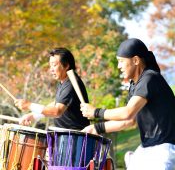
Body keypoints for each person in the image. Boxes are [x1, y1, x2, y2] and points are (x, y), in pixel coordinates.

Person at [80, 38, 175, 170]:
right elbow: (129, 121)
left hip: (163, 149)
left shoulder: (150, 78)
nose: (118, 66)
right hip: (148, 148)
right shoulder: (134, 85)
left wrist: (96, 112)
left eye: (121, 61)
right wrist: (96, 128)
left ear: (135, 60)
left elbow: (127, 112)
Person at [15, 47, 90, 130]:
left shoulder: (71, 83)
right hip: (65, 134)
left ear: (66, 66)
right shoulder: (63, 81)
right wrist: (33, 115)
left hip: (75, 136)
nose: (51, 69)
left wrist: (29, 105)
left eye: (54, 65)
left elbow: (56, 111)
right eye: (50, 65)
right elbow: (57, 103)